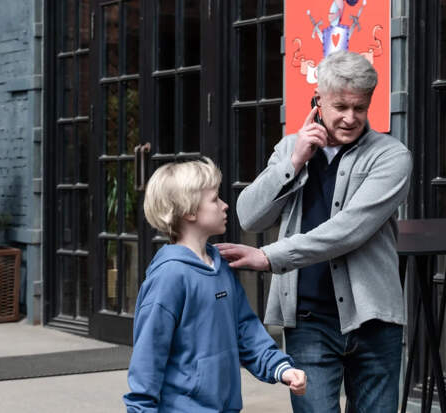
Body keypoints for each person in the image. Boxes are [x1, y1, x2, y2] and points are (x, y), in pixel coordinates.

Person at [216, 51, 412, 412]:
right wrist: (294, 162)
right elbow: (249, 217)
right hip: (308, 321)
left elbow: (348, 230)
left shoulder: (391, 156)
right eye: (341, 106)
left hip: (373, 321)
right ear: (318, 100)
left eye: (360, 107)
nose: (350, 118)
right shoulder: (291, 148)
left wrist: (269, 257)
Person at [123, 159, 306, 412]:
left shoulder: (220, 266)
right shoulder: (169, 276)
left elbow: (245, 329)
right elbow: (148, 357)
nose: (224, 205)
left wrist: (279, 367)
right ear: (189, 212)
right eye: (214, 199)